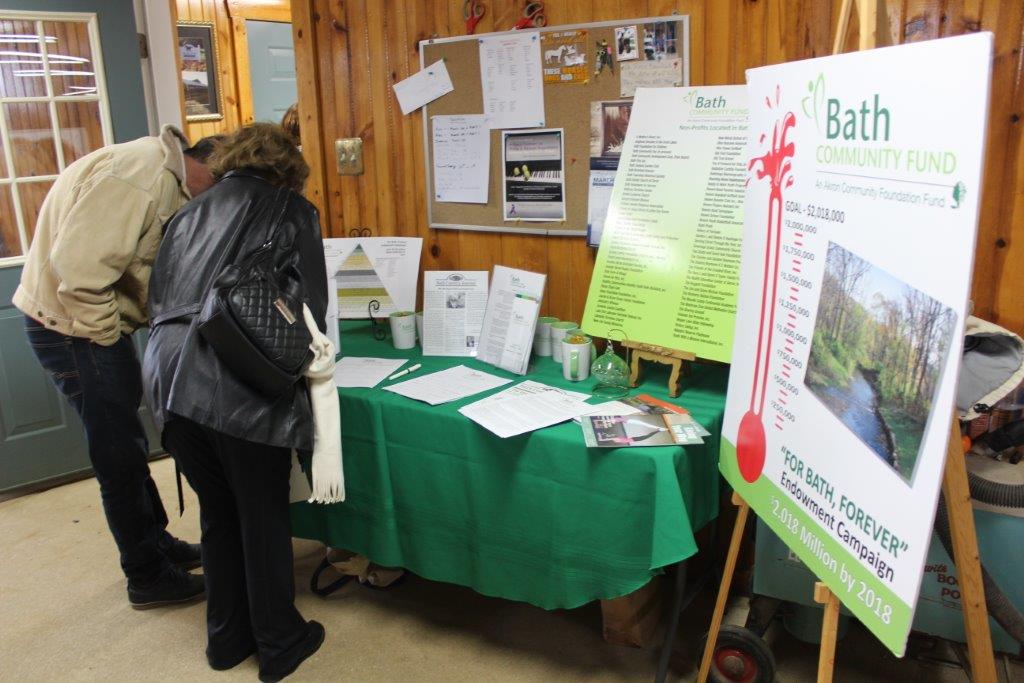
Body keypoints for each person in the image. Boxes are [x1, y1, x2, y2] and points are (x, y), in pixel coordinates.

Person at [143, 123, 329, 681]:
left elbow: (159, 295)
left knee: (219, 514)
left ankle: (225, 641)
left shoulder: (187, 212)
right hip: (236, 381)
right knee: (263, 514)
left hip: (166, 379)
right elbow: (312, 311)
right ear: (288, 169)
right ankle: (279, 642)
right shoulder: (291, 210)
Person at [14, 124, 219, 609]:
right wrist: (108, 342)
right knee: (119, 455)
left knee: (128, 442)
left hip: (84, 326)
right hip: (76, 328)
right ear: (212, 172)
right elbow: (80, 275)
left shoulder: (162, 173)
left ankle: (158, 544)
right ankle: (146, 575)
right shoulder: (141, 178)